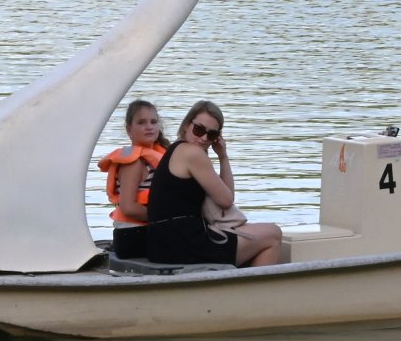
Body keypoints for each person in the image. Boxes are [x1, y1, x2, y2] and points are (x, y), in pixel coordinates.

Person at [133, 101, 283, 267]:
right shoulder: (192, 153)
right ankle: (255, 292)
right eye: (199, 129)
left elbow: (226, 197)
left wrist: (222, 155)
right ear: (185, 126)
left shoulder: (175, 150)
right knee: (273, 234)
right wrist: (224, 158)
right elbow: (226, 200)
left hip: (162, 243)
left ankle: (244, 287)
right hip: (183, 243)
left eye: (211, 135)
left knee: (259, 236)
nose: (204, 138)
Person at [97, 99, 167, 237]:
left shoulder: (158, 155)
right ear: (129, 129)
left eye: (153, 122)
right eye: (141, 122)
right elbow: (128, 207)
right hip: (133, 233)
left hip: (147, 228)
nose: (149, 127)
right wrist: (166, 218)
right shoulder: (133, 163)